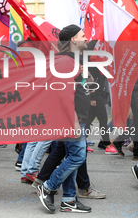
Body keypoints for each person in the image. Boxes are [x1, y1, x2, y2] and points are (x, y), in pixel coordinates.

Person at [36, 24, 92, 213]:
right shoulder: (65, 62)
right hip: (70, 118)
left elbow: (81, 86)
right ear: (73, 40)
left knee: (71, 156)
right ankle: (48, 186)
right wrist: (74, 121)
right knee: (77, 156)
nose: (86, 38)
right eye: (82, 35)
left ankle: (68, 200)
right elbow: (62, 95)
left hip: (75, 116)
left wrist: (85, 75)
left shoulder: (72, 60)